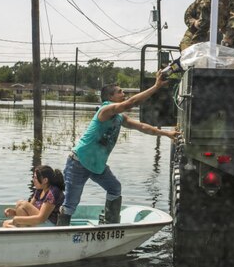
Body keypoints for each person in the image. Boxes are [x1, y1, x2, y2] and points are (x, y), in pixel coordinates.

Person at [57, 72, 180, 226]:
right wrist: (155, 87)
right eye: (120, 92)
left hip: (97, 166)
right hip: (78, 162)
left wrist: (166, 133)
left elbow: (141, 126)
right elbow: (131, 103)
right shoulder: (105, 110)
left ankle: (110, 224)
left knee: (114, 188)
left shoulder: (120, 117)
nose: (124, 94)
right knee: (70, 205)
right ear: (110, 97)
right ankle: (60, 233)